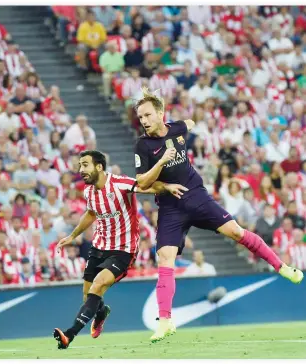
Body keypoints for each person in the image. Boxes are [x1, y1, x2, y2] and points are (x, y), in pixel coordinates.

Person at [133, 87, 304, 343]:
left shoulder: (177, 128)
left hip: (198, 196)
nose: (143, 121)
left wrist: (191, 122)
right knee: (164, 258)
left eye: (147, 115)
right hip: (171, 206)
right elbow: (141, 183)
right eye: (140, 117)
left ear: (160, 114)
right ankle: (165, 321)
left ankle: (282, 267)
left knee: (236, 232)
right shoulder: (143, 146)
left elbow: (186, 123)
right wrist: (161, 166)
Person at [53, 150, 187, 349]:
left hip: (123, 250)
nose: (81, 170)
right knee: (88, 294)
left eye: (85, 165)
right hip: (99, 247)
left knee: (98, 286)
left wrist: (166, 186)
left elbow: (146, 186)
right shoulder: (89, 191)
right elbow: (91, 213)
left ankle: (69, 335)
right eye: (80, 165)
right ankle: (101, 312)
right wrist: (73, 236)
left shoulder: (119, 183)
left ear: (99, 167)